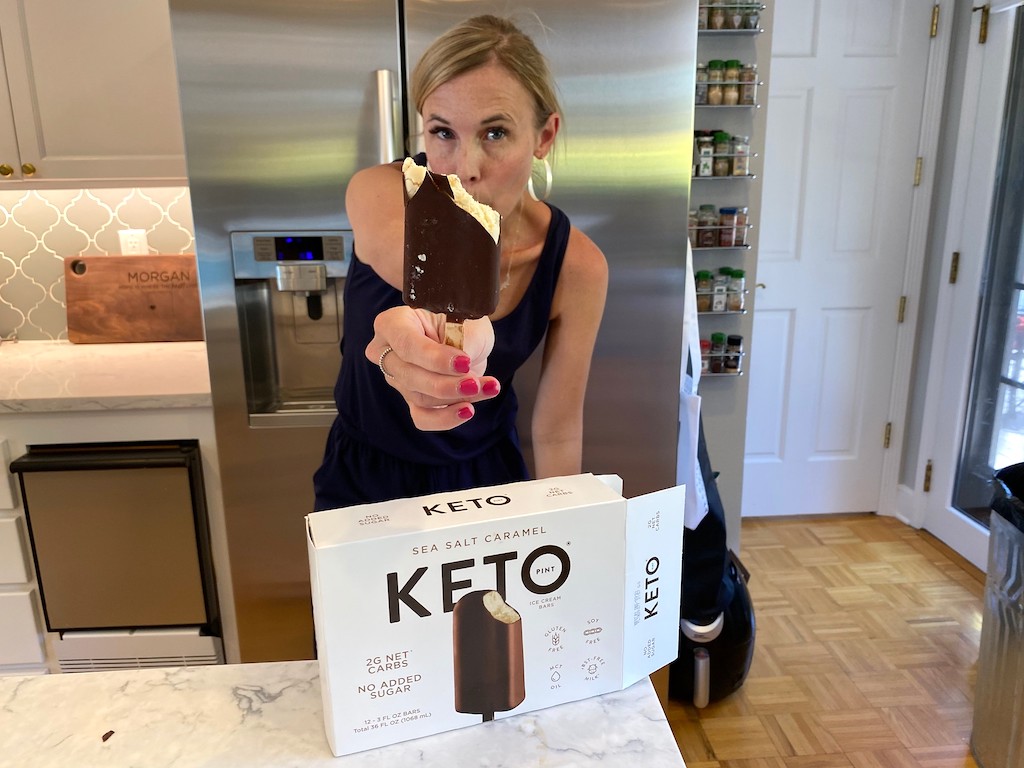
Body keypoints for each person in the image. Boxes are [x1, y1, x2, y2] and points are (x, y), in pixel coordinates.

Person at [313, 14, 608, 510]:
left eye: (495, 133)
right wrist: (426, 340)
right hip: (364, 478)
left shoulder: (577, 266)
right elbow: (429, 291)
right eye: (443, 132)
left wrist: (565, 524)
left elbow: (556, 430)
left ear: (544, 136)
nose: (465, 169)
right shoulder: (376, 193)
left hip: (490, 482)